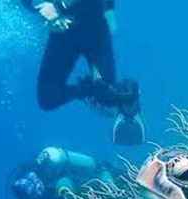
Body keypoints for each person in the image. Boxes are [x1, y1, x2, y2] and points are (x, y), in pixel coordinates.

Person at [22, 0, 146, 145]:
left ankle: (129, 95)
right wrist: (40, 5)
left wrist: (55, 5)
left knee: (106, 99)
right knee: (48, 99)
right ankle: (89, 89)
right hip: (63, 29)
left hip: (95, 26)